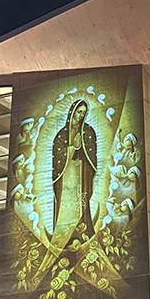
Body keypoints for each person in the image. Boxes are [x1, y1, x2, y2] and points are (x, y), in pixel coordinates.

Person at [51, 99, 98, 241]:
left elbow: (91, 156)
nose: (81, 116)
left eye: (84, 113)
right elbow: (57, 155)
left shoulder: (88, 131)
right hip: (66, 177)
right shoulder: (62, 134)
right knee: (65, 205)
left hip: (81, 174)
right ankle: (64, 235)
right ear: (72, 112)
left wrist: (81, 147)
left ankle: (83, 232)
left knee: (81, 202)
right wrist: (72, 148)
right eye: (79, 112)